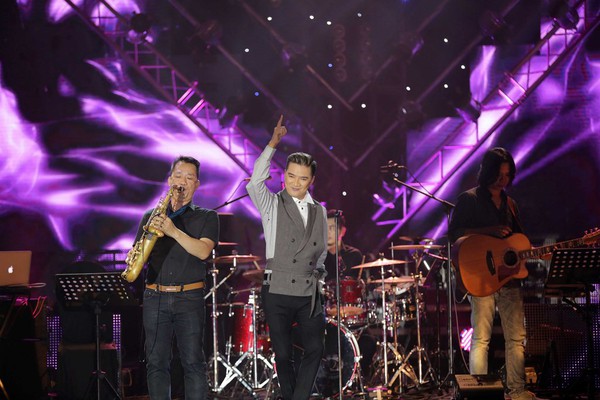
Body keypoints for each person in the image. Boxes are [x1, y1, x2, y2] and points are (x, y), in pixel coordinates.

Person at [247, 115, 328, 400]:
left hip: (308, 290)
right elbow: (255, 182)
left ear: (312, 180)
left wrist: (320, 280)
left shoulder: (320, 210)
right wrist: (273, 143)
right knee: (283, 355)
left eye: (303, 178)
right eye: (291, 176)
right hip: (277, 288)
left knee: (316, 348)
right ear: (284, 175)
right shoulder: (271, 203)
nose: (296, 182)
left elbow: (322, 251)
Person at [448, 147, 534, 400]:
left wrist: (537, 253)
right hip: (481, 278)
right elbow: (454, 235)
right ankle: (479, 393)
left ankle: (517, 390)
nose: (502, 180)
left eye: (507, 175)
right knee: (481, 338)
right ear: (487, 172)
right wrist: (488, 231)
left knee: (516, 338)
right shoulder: (469, 199)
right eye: (498, 174)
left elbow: (517, 243)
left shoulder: (511, 204)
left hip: (509, 280)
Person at [132, 156, 219, 400]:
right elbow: (139, 256)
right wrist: (135, 254)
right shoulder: (150, 216)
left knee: (193, 363)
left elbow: (203, 251)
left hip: (189, 297)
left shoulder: (207, 216)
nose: (182, 182)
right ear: (170, 180)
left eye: (189, 178)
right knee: (156, 363)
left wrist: (173, 231)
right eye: (178, 176)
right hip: (155, 296)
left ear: (197, 184)